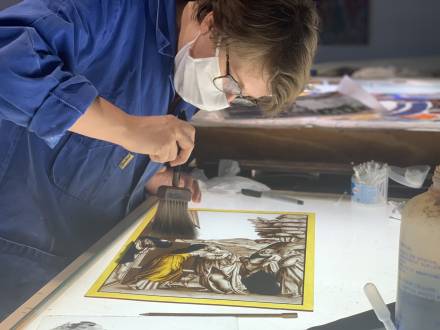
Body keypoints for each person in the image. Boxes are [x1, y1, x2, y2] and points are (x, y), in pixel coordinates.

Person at [0, 0, 319, 319]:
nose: (226, 98)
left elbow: (92, 139)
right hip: (17, 258)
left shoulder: (190, 57)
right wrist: (127, 128)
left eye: (243, 95)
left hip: (86, 266)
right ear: (210, 21)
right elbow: (7, 64)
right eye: (231, 81)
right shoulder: (105, 13)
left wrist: (144, 175)